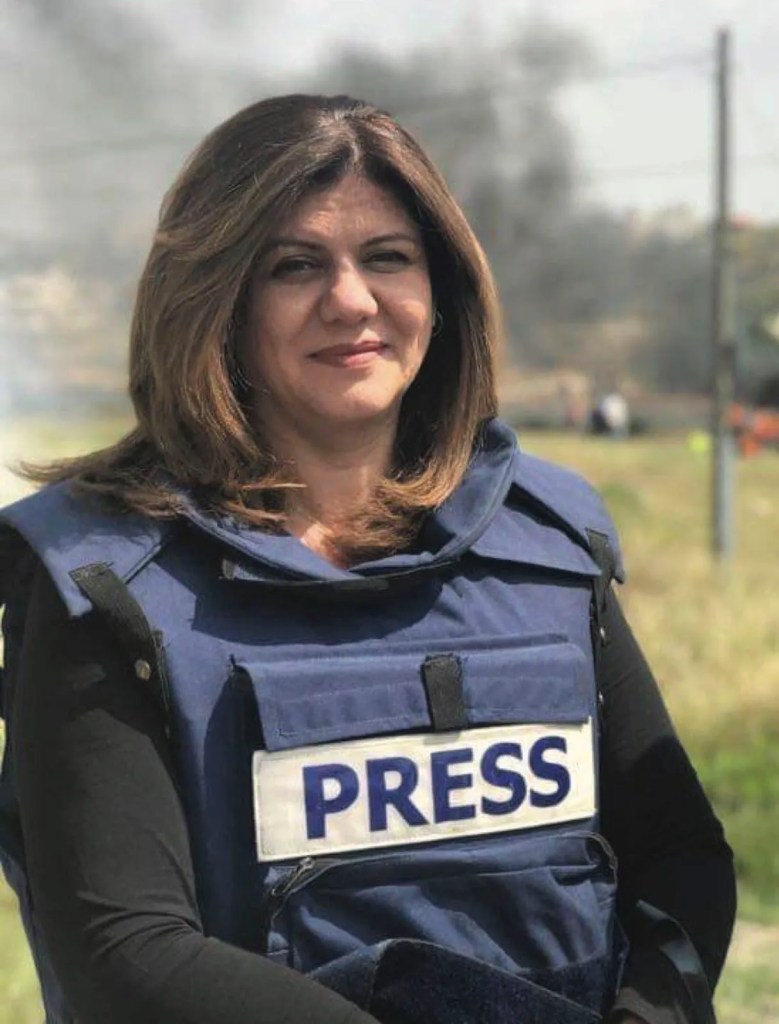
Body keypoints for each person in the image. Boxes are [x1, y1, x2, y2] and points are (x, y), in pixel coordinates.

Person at [0, 94, 734, 1024]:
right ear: (215, 301)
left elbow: (679, 857)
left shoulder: (549, 542)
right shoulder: (103, 578)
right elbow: (127, 953)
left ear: (441, 290)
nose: (351, 300)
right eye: (295, 265)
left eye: (387, 257)